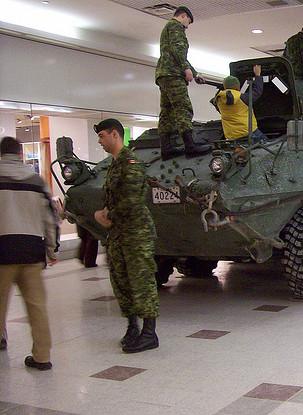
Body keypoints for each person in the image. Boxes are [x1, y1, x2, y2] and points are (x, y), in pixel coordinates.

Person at [92, 119, 160, 353]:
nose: (99, 141)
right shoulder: (114, 164)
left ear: (114, 134)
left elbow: (131, 200)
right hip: (119, 233)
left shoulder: (130, 163)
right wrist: (103, 214)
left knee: (142, 280)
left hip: (136, 233)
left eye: (102, 136)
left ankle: (150, 333)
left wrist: (104, 215)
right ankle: (133, 327)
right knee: (121, 280)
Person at [0, 136, 59, 369]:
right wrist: (52, 250)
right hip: (32, 251)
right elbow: (50, 217)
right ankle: (42, 357)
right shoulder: (36, 180)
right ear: (20, 154)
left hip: (2, 251)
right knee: (37, 307)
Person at [155, 6, 211, 160]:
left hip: (164, 74)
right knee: (183, 108)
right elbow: (178, 50)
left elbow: (174, 53)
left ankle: (166, 148)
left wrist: (194, 72)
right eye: (188, 22)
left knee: (166, 111)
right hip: (173, 74)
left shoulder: (167, 28)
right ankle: (190, 145)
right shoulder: (175, 26)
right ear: (183, 16)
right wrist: (186, 69)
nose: (187, 27)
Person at [216, 65, 268, 142]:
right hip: (249, 132)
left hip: (232, 136)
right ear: (238, 87)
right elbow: (257, 91)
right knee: (269, 145)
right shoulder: (242, 98)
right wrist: (257, 75)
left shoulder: (218, 99)